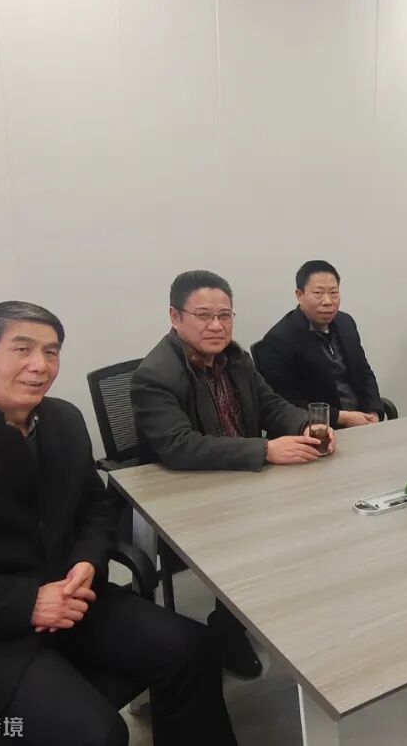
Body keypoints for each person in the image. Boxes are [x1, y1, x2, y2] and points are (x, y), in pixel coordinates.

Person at [0, 301, 236, 746]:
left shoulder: (63, 420)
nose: (40, 365)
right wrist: (27, 603)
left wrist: (87, 560)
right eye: (22, 349)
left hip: (71, 601)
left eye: (51, 352)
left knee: (193, 648)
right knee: (97, 733)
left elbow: (94, 507)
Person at [131, 269, 332, 679]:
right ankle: (227, 627)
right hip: (191, 493)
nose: (216, 326)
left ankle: (287, 614)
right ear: (175, 316)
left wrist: (306, 425)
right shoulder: (154, 376)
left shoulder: (237, 359)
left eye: (225, 315)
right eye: (204, 316)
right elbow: (179, 446)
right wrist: (265, 450)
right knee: (265, 537)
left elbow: (271, 405)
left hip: (243, 477)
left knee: (317, 515)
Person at [255, 260, 385, 428]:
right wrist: (341, 417)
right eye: (318, 293)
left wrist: (373, 411)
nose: (328, 301)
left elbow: (364, 372)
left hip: (362, 422)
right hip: (317, 429)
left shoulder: (345, 322)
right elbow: (284, 403)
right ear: (299, 295)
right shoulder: (278, 339)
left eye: (334, 293)